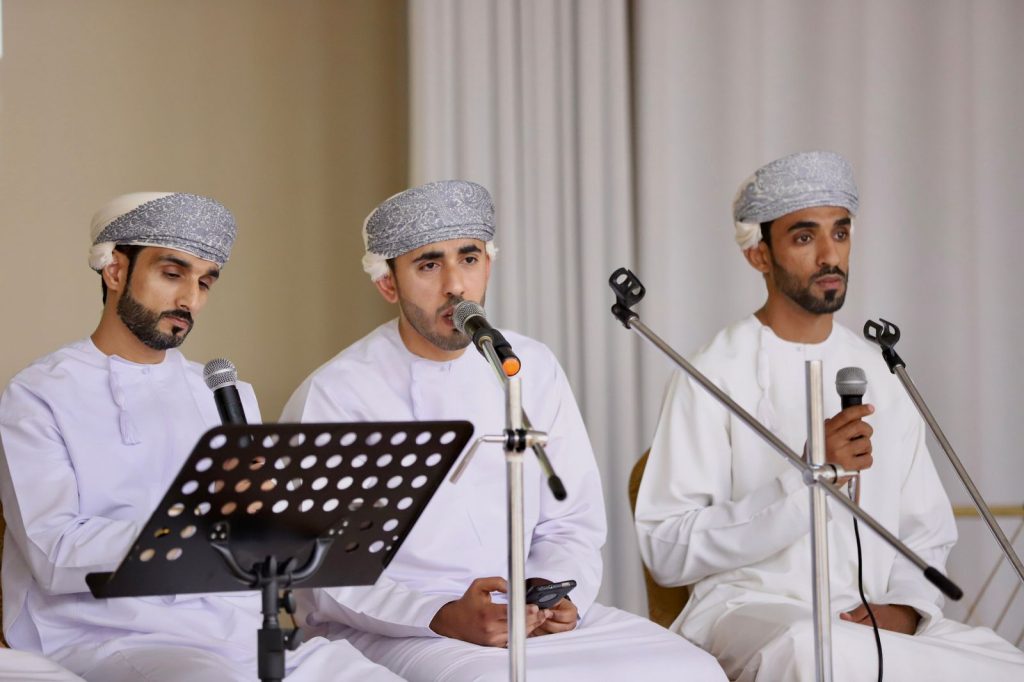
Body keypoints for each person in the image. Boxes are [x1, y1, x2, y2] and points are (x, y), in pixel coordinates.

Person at [282, 180, 727, 681]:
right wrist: (439, 614)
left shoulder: (528, 364)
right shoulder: (337, 393)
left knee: (691, 670)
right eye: (429, 265)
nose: (455, 285)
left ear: (488, 266)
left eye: (469, 259)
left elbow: (570, 523)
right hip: (396, 629)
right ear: (388, 283)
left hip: (525, 617)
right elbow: (323, 571)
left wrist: (554, 591)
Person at [635, 151, 1024, 681]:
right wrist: (804, 481)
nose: (829, 255)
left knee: (1006, 665)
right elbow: (666, 549)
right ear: (759, 254)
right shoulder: (711, 373)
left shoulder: (880, 371)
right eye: (804, 237)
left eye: (840, 233)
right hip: (751, 611)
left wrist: (906, 608)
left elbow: (925, 530)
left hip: (872, 618)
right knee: (815, 650)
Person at [0, 193, 400, 682]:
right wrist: (203, 524)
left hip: (235, 630)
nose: (189, 299)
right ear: (115, 271)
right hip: (105, 634)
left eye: (205, 282)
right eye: (173, 274)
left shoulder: (224, 393)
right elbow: (53, 554)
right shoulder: (38, 394)